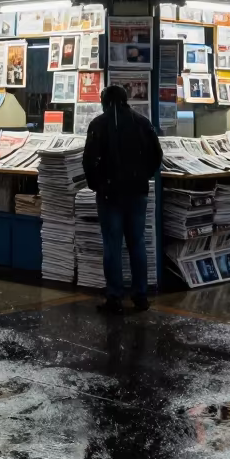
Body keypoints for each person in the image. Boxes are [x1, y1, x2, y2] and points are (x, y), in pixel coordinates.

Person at [82, 84, 163, 314]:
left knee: (112, 245)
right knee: (137, 242)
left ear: (105, 101)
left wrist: (97, 185)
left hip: (110, 195)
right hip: (138, 192)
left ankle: (115, 297)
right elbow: (157, 155)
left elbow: (89, 161)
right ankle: (141, 296)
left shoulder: (98, 124)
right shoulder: (142, 122)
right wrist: (143, 177)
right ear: (125, 100)